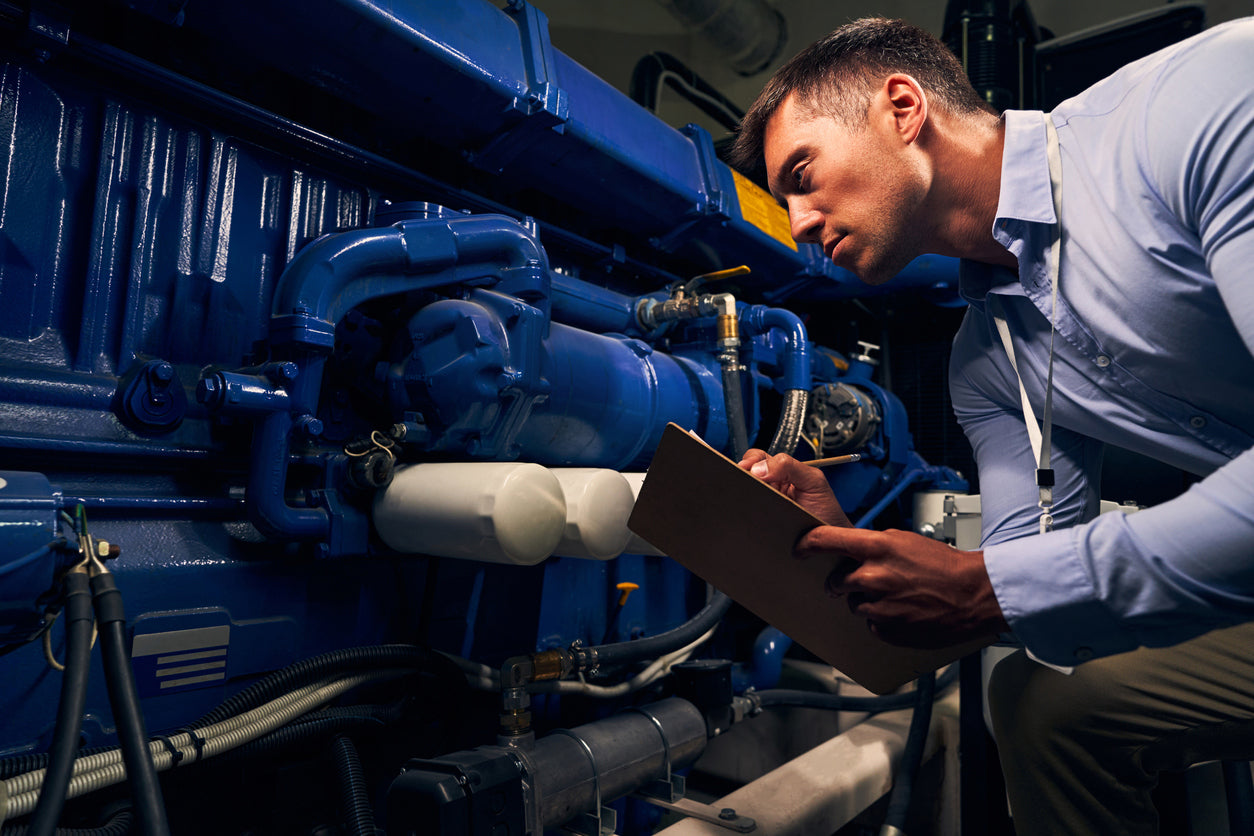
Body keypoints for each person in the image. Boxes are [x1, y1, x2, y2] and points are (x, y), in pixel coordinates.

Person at [727, 15, 1254, 835]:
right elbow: (1024, 596)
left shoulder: (1197, 108)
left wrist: (986, 588)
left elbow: (999, 590)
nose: (797, 222)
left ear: (902, 108)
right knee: (1048, 705)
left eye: (803, 173)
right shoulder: (985, 363)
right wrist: (845, 552)